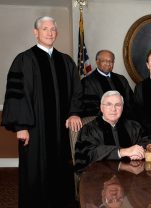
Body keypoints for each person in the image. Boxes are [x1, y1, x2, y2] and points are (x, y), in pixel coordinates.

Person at [1, 16, 83, 207]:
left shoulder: (66, 61)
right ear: (35, 32)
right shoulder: (24, 60)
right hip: (34, 130)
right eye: (45, 29)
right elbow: (16, 94)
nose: (50, 32)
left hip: (61, 131)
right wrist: (21, 126)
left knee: (62, 170)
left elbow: (77, 91)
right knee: (35, 172)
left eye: (53, 29)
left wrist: (74, 112)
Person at [75, 90, 151, 171]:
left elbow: (146, 141)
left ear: (122, 108)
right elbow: (89, 153)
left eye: (118, 105)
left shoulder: (134, 126)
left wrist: (139, 152)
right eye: (109, 104)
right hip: (101, 178)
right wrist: (122, 152)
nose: (113, 109)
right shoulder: (89, 129)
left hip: (131, 178)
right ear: (101, 107)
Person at [81, 49, 134, 118]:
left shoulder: (121, 79)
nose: (108, 63)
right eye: (104, 61)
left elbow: (130, 101)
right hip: (101, 122)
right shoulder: (88, 82)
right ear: (97, 62)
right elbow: (90, 108)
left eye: (111, 61)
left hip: (124, 120)